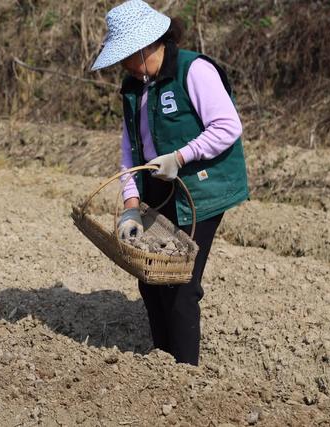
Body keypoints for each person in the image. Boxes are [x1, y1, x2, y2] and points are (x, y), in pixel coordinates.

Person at [91, 0, 249, 366]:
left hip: (200, 191)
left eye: (125, 57)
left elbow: (227, 127)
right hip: (158, 192)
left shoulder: (193, 71)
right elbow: (130, 152)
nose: (122, 65)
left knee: (180, 284)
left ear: (145, 46)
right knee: (149, 279)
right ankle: (161, 364)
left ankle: (184, 374)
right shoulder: (136, 87)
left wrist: (180, 158)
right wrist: (131, 206)